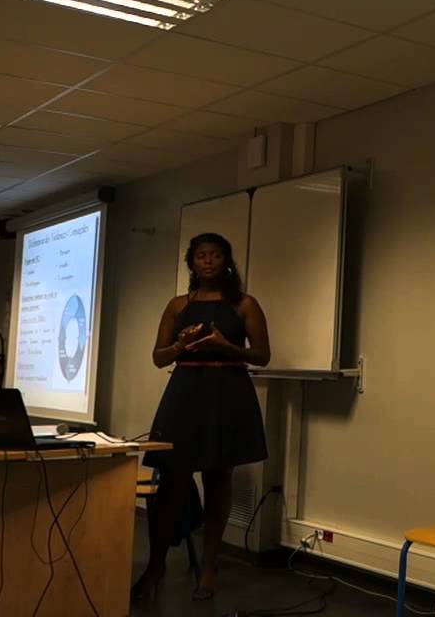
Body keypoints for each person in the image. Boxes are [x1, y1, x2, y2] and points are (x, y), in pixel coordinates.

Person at [132, 233, 270, 601]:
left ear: (227, 261)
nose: (208, 261)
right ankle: (156, 565)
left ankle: (209, 569)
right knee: (171, 482)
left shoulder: (245, 304)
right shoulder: (178, 305)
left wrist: (227, 346)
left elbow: (262, 355)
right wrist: (180, 344)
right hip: (185, 393)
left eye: (215, 255)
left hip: (227, 393)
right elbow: (159, 357)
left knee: (218, 481)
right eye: (201, 256)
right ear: (192, 262)